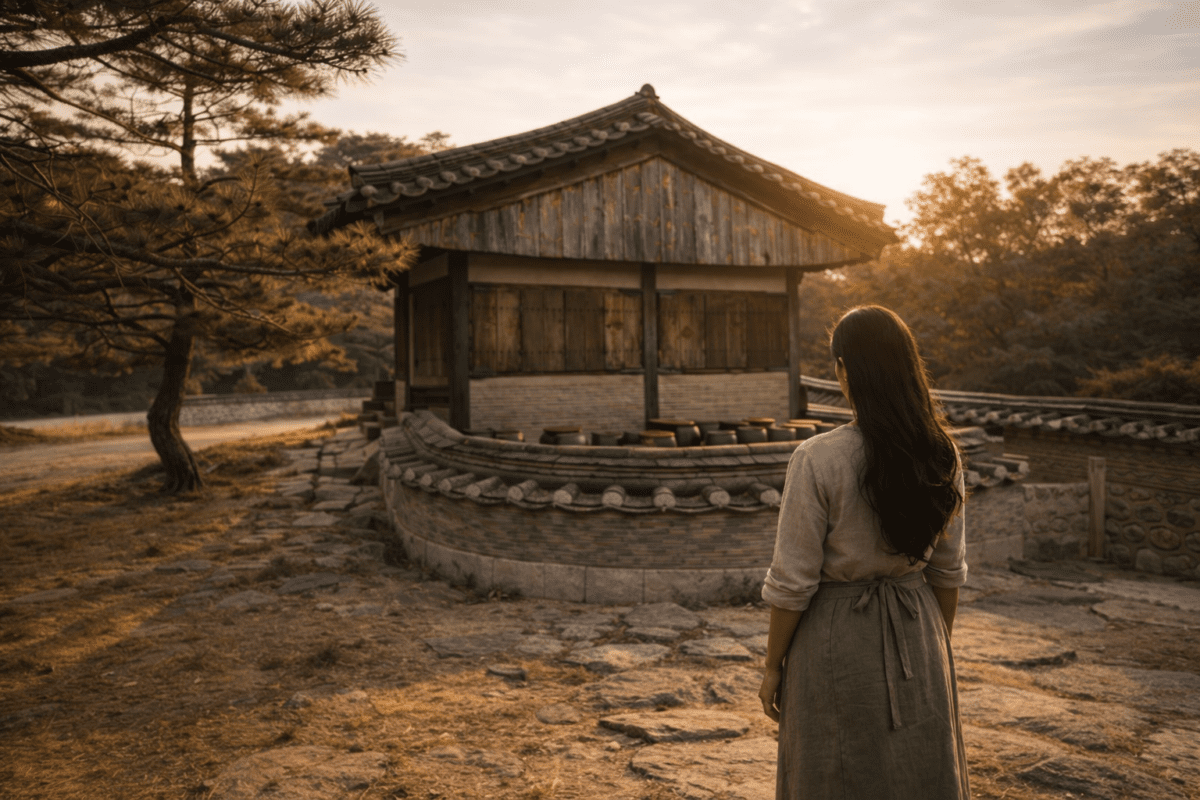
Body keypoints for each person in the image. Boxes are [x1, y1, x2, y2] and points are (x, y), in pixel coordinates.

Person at [758, 305, 971, 800]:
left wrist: (772, 666)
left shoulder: (818, 458)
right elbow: (947, 573)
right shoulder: (943, 453)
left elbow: (792, 582)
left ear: (845, 371)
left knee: (834, 769)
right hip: (919, 627)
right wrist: (935, 649)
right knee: (919, 771)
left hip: (835, 634)